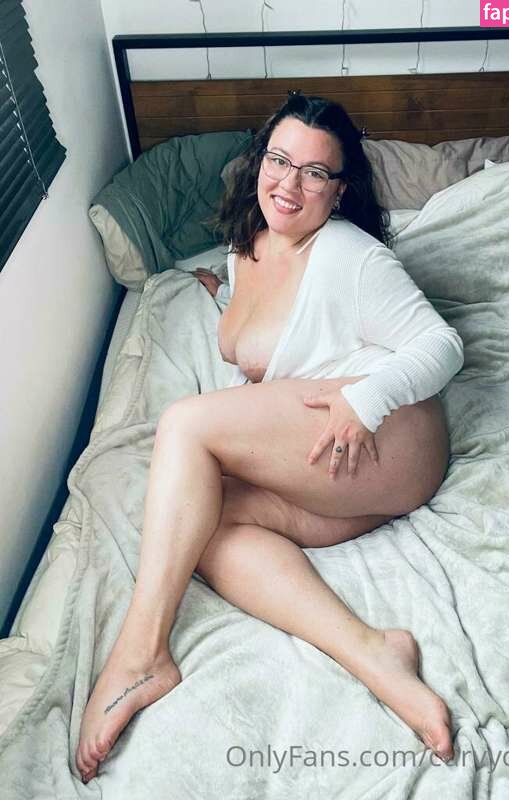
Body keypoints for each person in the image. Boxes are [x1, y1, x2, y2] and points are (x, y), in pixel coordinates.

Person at [76, 93, 464, 783]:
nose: (289, 184)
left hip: (393, 439)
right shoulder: (246, 246)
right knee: (199, 523)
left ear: (339, 190)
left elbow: (443, 346)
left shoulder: (349, 256)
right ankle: (374, 653)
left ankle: (140, 653)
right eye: (280, 161)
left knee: (186, 424)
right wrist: (222, 299)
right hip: (329, 464)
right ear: (259, 162)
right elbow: (277, 335)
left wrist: (365, 401)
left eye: (315, 173)